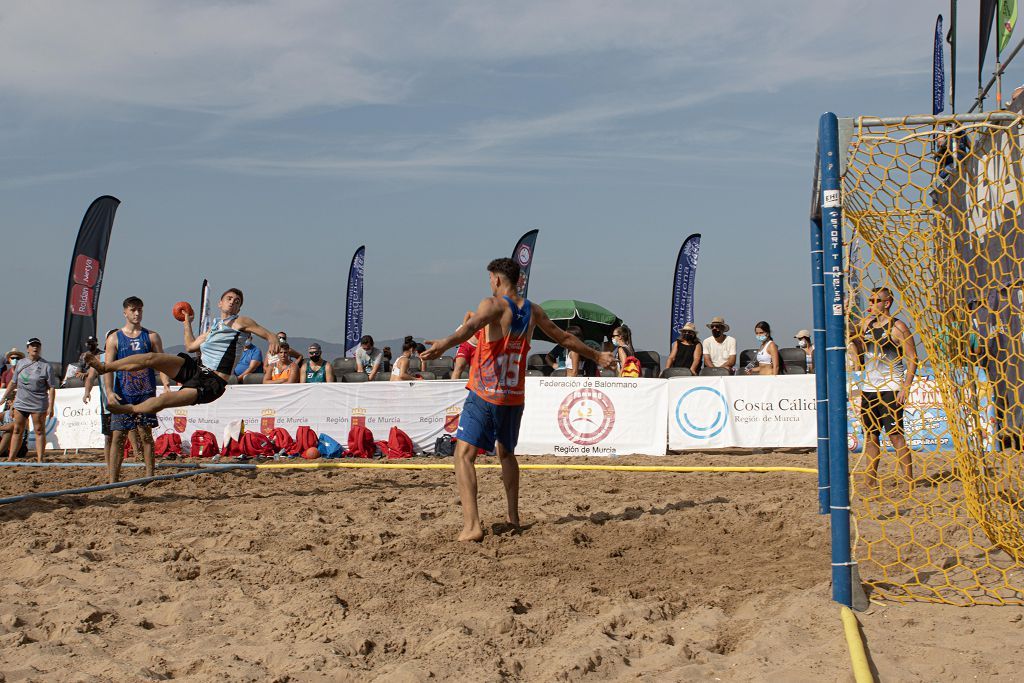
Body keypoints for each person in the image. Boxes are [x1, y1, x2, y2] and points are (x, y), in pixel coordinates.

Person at [420, 257, 613, 542]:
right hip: (514, 395)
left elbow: (469, 328)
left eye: (490, 279)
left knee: (463, 455)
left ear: (497, 279)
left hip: (486, 391)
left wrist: (442, 346)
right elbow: (564, 338)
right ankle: (513, 517)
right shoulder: (533, 311)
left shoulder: (493, 304)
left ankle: (472, 525)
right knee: (506, 454)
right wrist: (596, 355)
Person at [84, 288, 280, 413]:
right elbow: (190, 346)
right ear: (220, 303)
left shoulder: (240, 321)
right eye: (229, 298)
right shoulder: (213, 327)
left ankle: (130, 409)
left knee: (166, 400)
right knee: (152, 357)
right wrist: (187, 323)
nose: (233, 302)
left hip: (213, 381)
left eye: (237, 301)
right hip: (197, 367)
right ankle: (105, 367)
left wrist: (272, 339)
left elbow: (266, 333)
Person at [850, 287, 918, 493]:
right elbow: (851, 334)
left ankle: (909, 482)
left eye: (875, 300)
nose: (870, 304)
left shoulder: (898, 327)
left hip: (891, 387)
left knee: (895, 435)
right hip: (869, 388)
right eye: (869, 300)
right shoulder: (866, 324)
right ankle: (870, 480)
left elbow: (913, 358)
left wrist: (905, 387)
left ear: (886, 303)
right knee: (870, 436)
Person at [105, 297, 170, 481]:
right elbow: (107, 369)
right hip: (123, 393)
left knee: (146, 434)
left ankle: (149, 476)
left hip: (145, 392)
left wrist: (165, 385)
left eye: (140, 310)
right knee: (118, 436)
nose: (137, 313)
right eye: (133, 310)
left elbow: (163, 364)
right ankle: (113, 479)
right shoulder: (114, 338)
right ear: (125, 312)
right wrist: (109, 392)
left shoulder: (151, 336)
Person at [84, 329, 142, 482]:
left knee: (131, 430)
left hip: (125, 401)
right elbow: (90, 378)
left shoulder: (124, 356)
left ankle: (138, 457)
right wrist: (87, 392)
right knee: (109, 437)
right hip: (108, 404)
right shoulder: (100, 358)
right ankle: (110, 468)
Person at [2, 338, 56, 462]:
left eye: (37, 345)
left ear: (40, 348)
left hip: (38, 402)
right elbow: (13, 382)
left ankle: (40, 459)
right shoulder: (21, 363)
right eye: (32, 346)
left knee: (39, 430)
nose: (35, 348)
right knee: (17, 429)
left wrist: (51, 406)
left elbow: (52, 388)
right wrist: (5, 396)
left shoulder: (46, 366)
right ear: (27, 349)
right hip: (21, 401)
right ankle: (11, 458)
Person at [452, 311, 477, 380]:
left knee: (473, 372)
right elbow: (468, 313)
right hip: (467, 344)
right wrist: (464, 327)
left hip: (478, 349)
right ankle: (453, 388)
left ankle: (471, 389)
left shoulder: (499, 324)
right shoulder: (483, 317)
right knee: (459, 367)